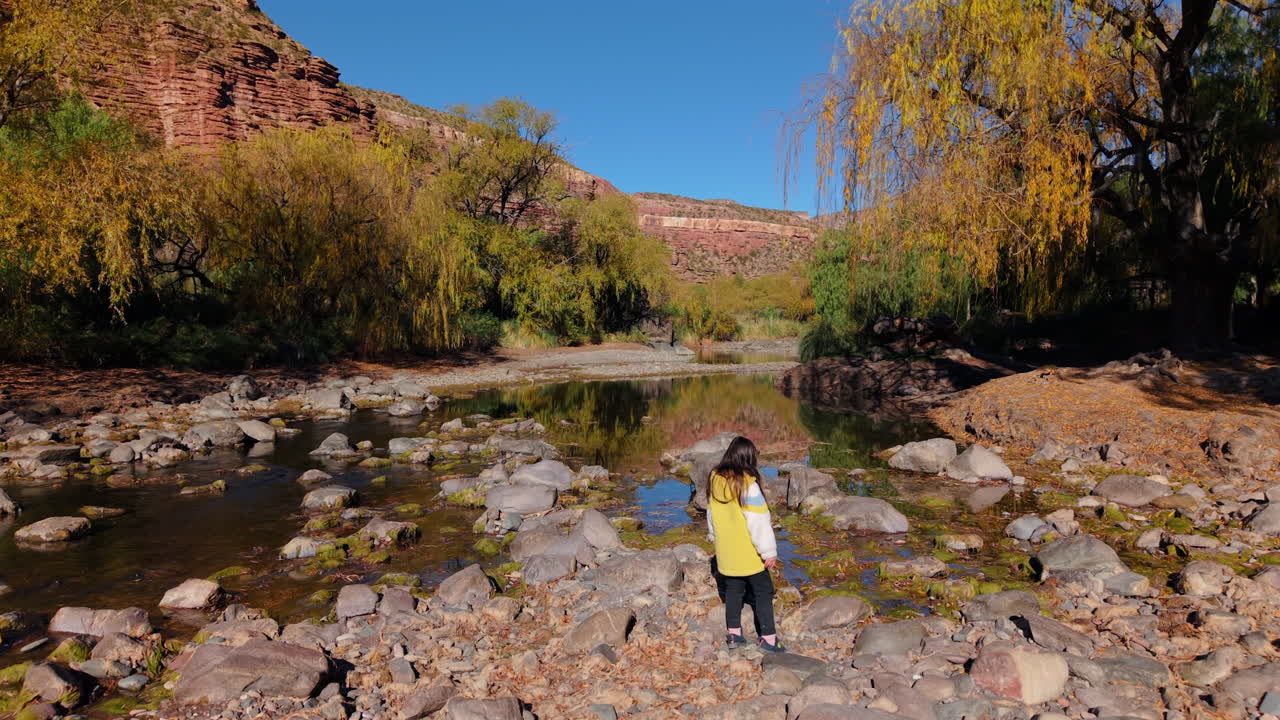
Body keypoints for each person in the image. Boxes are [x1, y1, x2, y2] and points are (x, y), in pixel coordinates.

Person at [707, 435, 785, 652]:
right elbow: (759, 522)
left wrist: (714, 536)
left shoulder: (715, 479)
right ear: (749, 459)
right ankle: (768, 639)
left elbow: (711, 514)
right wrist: (768, 551)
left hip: (727, 552)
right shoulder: (748, 485)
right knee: (763, 591)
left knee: (733, 590)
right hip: (749, 554)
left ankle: (734, 635)